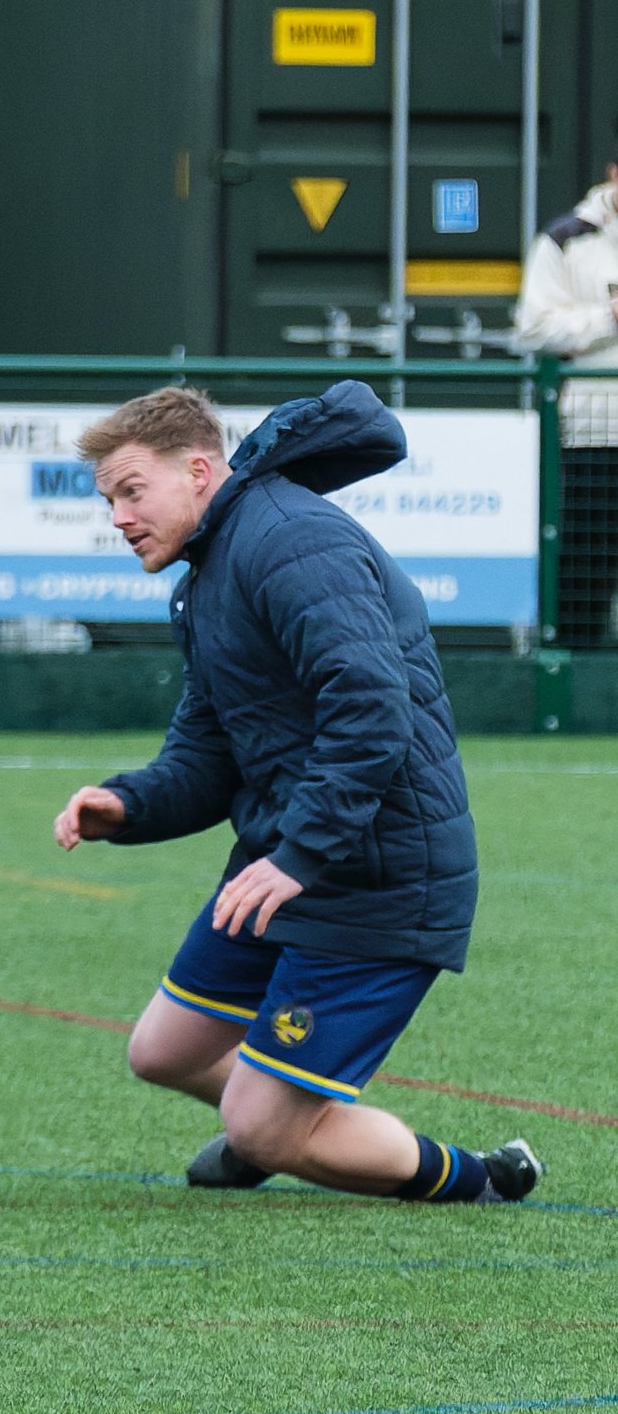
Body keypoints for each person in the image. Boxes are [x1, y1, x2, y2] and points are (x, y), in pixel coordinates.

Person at [52, 382, 542, 1206]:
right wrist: (129, 806)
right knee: (162, 1052)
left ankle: (480, 1177)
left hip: (379, 877)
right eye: (109, 501)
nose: (119, 518)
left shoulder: (290, 540)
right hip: (289, 862)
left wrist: (300, 856)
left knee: (257, 1129)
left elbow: (372, 708)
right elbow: (208, 753)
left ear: (199, 471)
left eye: (132, 491)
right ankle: (289, 1128)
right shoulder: (210, 575)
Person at [516, 169, 618, 648]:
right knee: (587, 571)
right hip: (597, 434)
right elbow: (533, 330)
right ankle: (573, 677)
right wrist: (609, 317)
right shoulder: (566, 238)